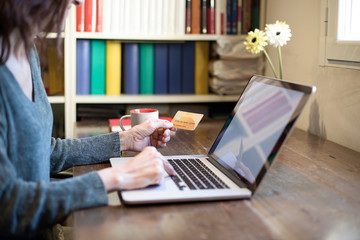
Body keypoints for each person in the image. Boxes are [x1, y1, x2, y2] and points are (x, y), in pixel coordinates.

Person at [0, 0, 176, 239]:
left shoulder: (24, 48)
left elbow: (41, 152)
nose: (79, 1)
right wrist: (121, 176)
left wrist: (126, 140)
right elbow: (7, 205)